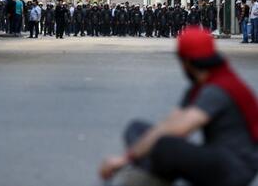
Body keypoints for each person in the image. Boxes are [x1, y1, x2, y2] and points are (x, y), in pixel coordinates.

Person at [100, 27, 258, 186]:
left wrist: (126, 158)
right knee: (136, 129)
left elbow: (180, 129)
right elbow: (171, 121)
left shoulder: (218, 88)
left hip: (235, 168)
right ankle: (148, 172)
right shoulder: (200, 85)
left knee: (164, 146)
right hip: (218, 157)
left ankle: (145, 175)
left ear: (187, 62)